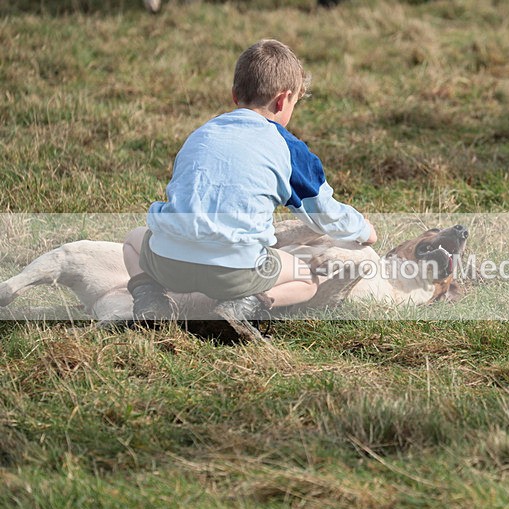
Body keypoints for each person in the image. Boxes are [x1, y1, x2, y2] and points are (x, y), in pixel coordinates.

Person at [122, 39, 377, 328]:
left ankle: (150, 300)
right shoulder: (286, 146)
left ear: (234, 95)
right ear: (283, 101)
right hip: (235, 271)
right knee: (307, 279)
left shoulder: (200, 134)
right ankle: (243, 306)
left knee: (133, 239)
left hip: (169, 263)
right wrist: (363, 229)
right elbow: (323, 213)